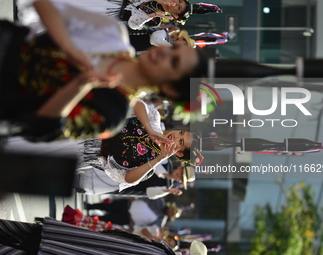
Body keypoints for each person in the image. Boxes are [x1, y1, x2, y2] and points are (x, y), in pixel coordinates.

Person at [0, 1, 207, 141]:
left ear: (170, 88)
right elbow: (45, 4)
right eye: (173, 49)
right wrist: (68, 47)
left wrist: (81, 84)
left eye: (174, 63)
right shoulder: (113, 34)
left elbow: (39, 129)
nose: (164, 53)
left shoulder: (113, 113)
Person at [79, 99, 202, 191]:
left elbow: (128, 179)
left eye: (180, 141)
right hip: (91, 126)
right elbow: (136, 103)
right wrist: (150, 130)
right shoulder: (154, 120)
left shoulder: (150, 169)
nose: (176, 136)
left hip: (85, 155)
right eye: (181, 132)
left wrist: (159, 158)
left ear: (179, 154)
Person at [0, 217, 177, 255]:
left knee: (23, 233)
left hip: (79, 241)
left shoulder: (162, 250)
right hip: (79, 245)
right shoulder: (161, 251)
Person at [17, 0, 191, 30]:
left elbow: (133, 24)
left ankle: (34, 16)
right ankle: (33, 4)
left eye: (178, 8)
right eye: (178, 2)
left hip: (111, 13)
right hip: (112, 1)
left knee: (73, 14)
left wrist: (152, 13)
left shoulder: (156, 19)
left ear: (175, 16)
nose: (175, 4)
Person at [85, 198, 181, 229]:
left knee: (107, 219)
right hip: (129, 204)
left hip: (128, 219)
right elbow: (146, 196)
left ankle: (89, 218)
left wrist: (134, 226)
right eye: (172, 210)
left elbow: (147, 227)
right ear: (171, 207)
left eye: (172, 213)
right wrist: (135, 197)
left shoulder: (160, 222)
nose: (170, 211)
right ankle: (90, 206)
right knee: (107, 206)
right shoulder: (160, 201)